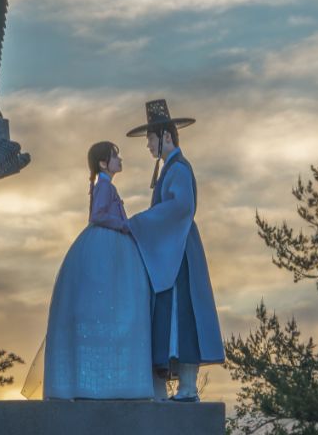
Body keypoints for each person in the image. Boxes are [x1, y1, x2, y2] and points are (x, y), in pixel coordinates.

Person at [126, 99, 225, 402]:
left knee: (184, 313)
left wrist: (140, 222)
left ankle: (187, 386)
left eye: (151, 139)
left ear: (166, 137)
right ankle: (181, 387)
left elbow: (181, 207)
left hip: (179, 248)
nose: (149, 146)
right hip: (170, 248)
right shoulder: (171, 169)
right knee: (171, 314)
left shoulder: (180, 169)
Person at [39, 141, 154, 400]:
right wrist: (123, 225)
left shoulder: (104, 185)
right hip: (108, 244)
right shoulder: (104, 185)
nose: (119, 159)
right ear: (104, 163)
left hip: (112, 245)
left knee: (113, 305)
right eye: (115, 156)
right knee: (107, 302)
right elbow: (97, 215)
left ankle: (111, 381)